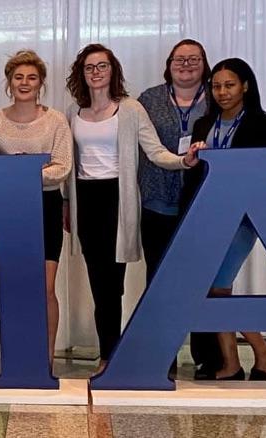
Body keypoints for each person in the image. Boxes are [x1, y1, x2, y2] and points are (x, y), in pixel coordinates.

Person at [63, 43, 199, 374]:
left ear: (114, 71)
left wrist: (184, 161)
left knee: (115, 283)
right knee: (99, 283)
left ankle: (117, 353)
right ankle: (107, 355)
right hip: (86, 200)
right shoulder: (72, 113)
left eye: (102, 66)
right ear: (82, 73)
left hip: (117, 200)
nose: (96, 73)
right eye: (89, 67)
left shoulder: (131, 109)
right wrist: (67, 202)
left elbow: (155, 152)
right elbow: (68, 163)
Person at [183, 58, 266, 381]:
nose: (222, 92)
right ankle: (233, 361)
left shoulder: (264, 124)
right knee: (212, 288)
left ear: (245, 86)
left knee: (217, 285)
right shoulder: (203, 125)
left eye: (229, 85)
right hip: (208, 215)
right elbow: (196, 173)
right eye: (216, 86)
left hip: (244, 216)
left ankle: (260, 349)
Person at [0, 50, 72, 366]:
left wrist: (20, 174)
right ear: (9, 82)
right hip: (7, 211)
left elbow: (61, 168)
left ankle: (45, 360)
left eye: (31, 77)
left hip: (45, 208)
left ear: (41, 83)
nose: (24, 83)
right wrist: (30, 172)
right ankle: (20, 354)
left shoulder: (55, 120)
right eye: (18, 77)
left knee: (45, 288)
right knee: (16, 286)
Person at [137, 39, 218, 379]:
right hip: (156, 201)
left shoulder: (218, 97)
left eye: (194, 59)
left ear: (205, 64)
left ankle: (208, 355)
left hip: (204, 201)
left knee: (200, 280)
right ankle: (161, 352)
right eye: (179, 59)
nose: (186, 64)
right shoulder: (148, 99)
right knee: (159, 279)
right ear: (168, 64)